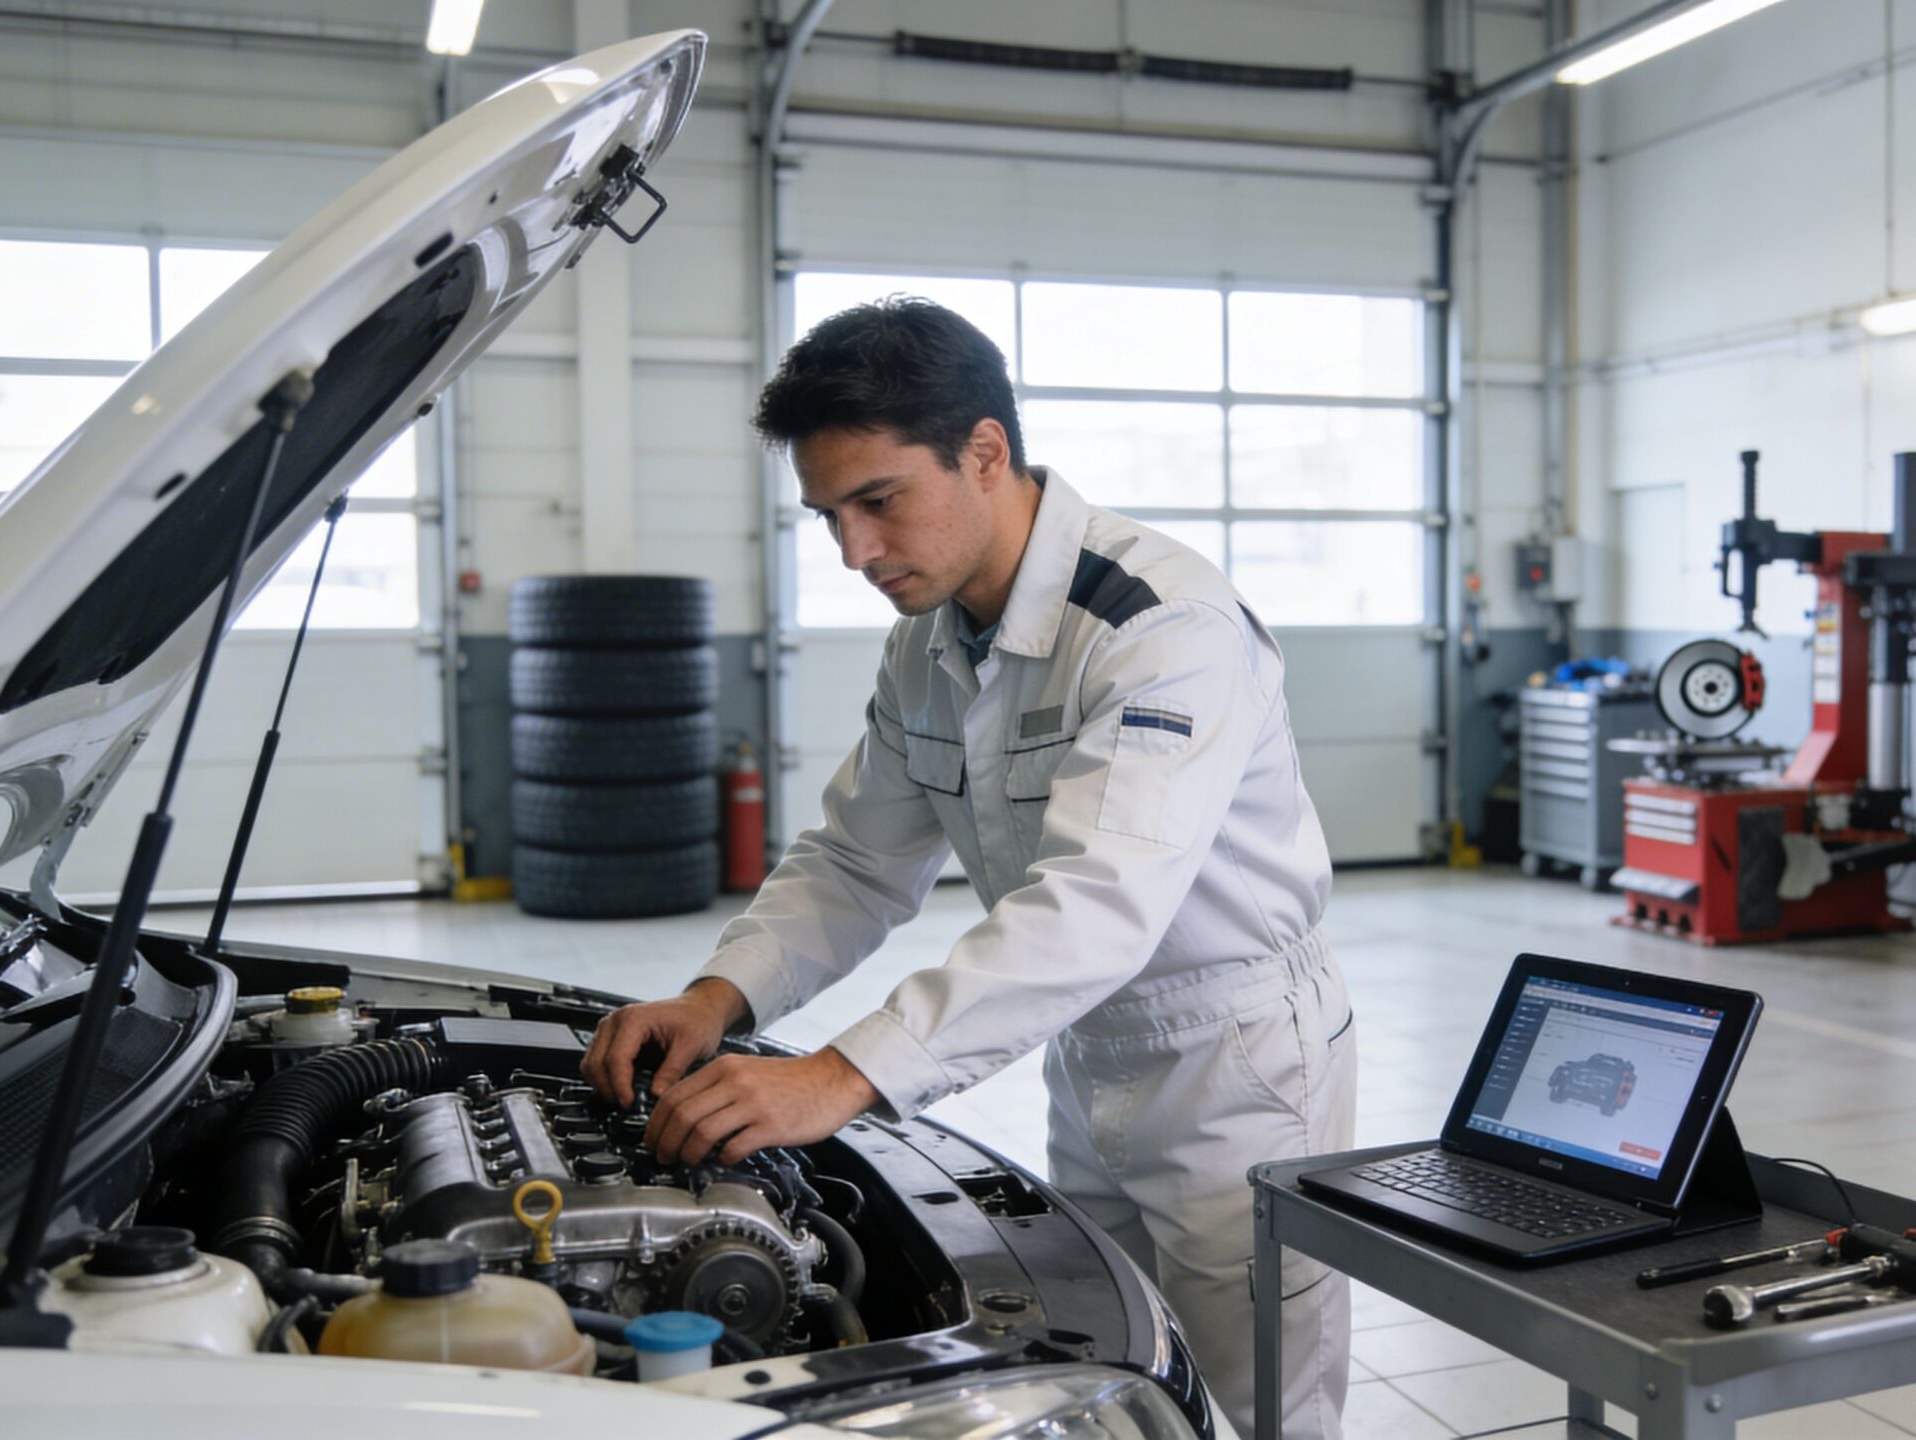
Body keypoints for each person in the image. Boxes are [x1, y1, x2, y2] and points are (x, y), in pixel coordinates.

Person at [581, 298, 1356, 1439]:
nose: (854, 552)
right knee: (1117, 1378)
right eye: (827, 515)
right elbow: (856, 858)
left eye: (878, 501)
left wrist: (842, 1074)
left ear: (984, 453)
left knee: (1256, 1403)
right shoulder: (931, 642)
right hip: (1086, 1045)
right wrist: (719, 996)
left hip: (1235, 1064)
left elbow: (1097, 906)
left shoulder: (1157, 627)